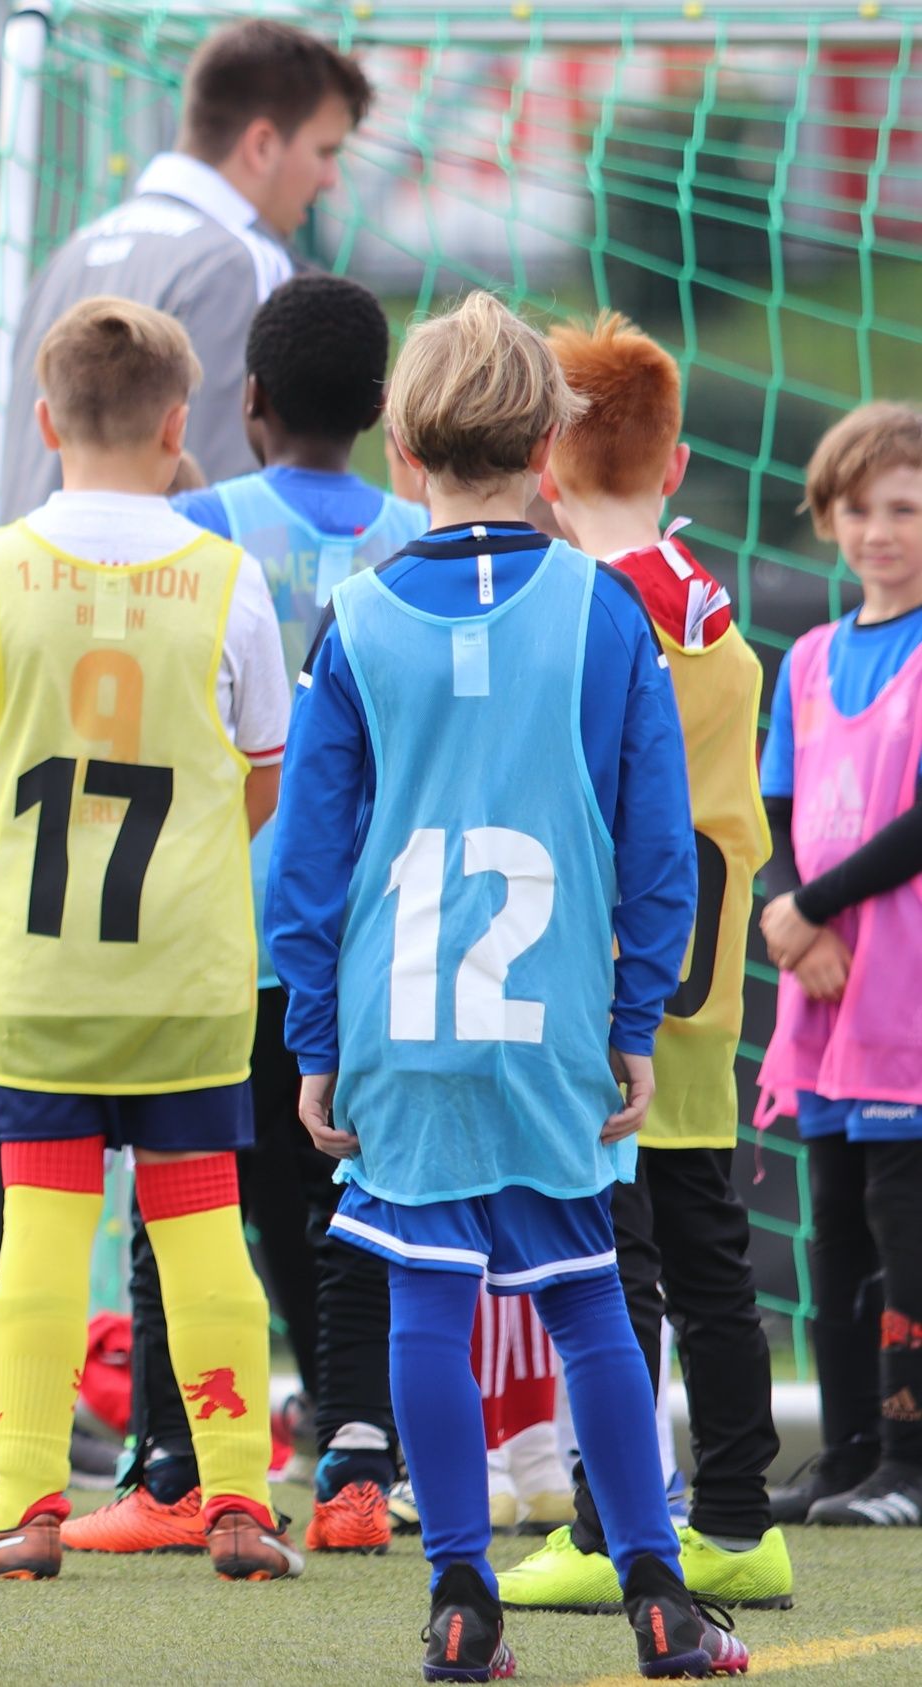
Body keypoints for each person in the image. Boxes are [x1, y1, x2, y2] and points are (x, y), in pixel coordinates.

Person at [271, 291, 742, 1681]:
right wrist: (633, 1012)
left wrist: (316, 1034)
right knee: (590, 1291)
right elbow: (662, 844)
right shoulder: (604, 615)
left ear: (402, 456)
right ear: (549, 445)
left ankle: (462, 1602)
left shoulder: (353, 621)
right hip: (548, 1015)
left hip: (402, 1015)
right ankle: (655, 1586)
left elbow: (310, 859)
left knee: (426, 1292)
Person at [0, 296, 299, 1585]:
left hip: (45, 969)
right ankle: (238, 1500)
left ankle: (24, 1503)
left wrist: (27, 873)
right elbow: (264, 776)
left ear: (43, 421)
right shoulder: (230, 577)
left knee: (40, 1228)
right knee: (203, 1229)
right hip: (189, 977)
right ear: (180, 425)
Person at [75, 273, 421, 1559]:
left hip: (211, 924)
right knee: (353, 1208)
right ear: (385, 410)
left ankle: (174, 1458)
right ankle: (356, 1464)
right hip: (372, 948)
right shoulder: (416, 534)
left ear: (249, 400)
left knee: (186, 1196)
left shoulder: (191, 522)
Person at [495, 313, 791, 1606]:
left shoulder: (574, 613)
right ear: (674, 466)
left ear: (545, 461)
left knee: (610, 1255)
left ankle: (618, 1520)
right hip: (707, 966)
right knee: (708, 1237)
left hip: (603, 961)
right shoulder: (723, 628)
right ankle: (734, 1508)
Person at [755, 400, 922, 1528]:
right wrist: (785, 907)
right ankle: (850, 1448)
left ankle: (910, 1463)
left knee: (907, 1232)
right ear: (827, 517)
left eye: (904, 508)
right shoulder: (810, 660)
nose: (880, 529)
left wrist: (809, 907)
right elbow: (777, 803)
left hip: (902, 995)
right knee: (835, 1230)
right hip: (824, 991)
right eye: (859, 508)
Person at [0, 19, 371, 517]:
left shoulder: (70, 255)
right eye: (324, 152)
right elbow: (226, 510)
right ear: (261, 145)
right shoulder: (241, 265)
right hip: (155, 592)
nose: (328, 179)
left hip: (29, 587)